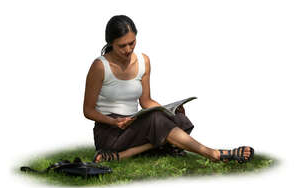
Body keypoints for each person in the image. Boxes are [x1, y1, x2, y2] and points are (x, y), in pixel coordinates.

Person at [83, 15, 254, 164]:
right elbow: (88, 110)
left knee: (177, 118)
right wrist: (114, 122)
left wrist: (168, 110)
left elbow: (146, 101)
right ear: (110, 43)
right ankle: (213, 153)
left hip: (132, 125)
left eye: (132, 43)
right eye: (122, 46)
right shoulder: (100, 67)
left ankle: (122, 156)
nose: (128, 49)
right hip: (110, 133)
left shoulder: (143, 61)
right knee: (158, 121)